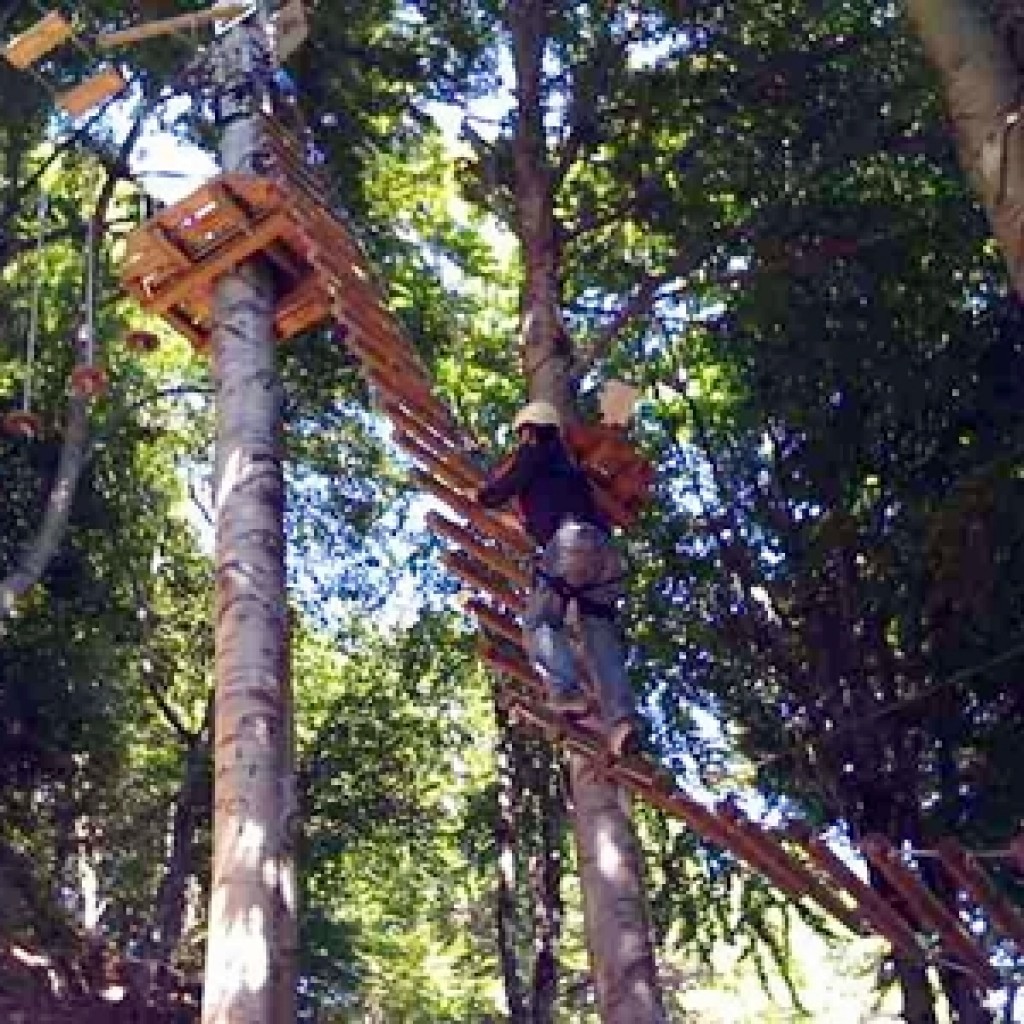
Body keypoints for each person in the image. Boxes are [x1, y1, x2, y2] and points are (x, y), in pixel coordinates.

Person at [475, 400, 642, 757]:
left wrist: (483, 495)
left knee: (539, 621)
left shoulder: (539, 449)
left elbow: (507, 484)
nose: (521, 439)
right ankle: (622, 722)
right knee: (601, 639)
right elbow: (542, 510)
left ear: (532, 429)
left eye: (522, 433)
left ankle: (567, 692)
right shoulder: (567, 471)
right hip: (605, 555)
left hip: (571, 544)